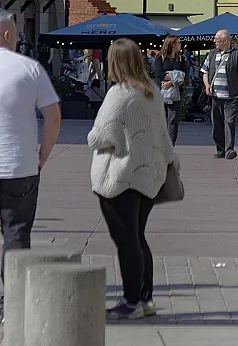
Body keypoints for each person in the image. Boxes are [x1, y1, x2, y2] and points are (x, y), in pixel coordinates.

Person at [88, 38, 179, 320]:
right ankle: (145, 298)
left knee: (126, 241)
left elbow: (101, 136)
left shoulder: (120, 93)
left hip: (121, 178)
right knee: (138, 238)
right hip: (148, 177)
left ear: (115, 62)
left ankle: (131, 300)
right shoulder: (150, 89)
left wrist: (93, 136)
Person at [0, 13, 61, 278]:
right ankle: (13, 301)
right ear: (7, 35)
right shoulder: (30, 68)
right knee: (16, 235)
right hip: (19, 167)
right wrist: (43, 155)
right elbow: (53, 117)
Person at [201, 29, 238, 159]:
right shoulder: (211, 54)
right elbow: (205, 72)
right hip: (215, 97)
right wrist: (207, 85)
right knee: (216, 124)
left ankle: (229, 150)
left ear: (226, 41)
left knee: (229, 122)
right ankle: (220, 149)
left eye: (217, 40)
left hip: (231, 97)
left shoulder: (236, 56)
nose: (215, 42)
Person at [152, 35, 187, 145]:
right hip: (161, 92)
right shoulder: (160, 57)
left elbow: (183, 76)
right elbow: (159, 73)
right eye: (178, 43)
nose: (180, 45)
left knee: (173, 120)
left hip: (176, 92)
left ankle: (170, 144)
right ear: (172, 44)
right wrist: (175, 76)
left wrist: (170, 82)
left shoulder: (181, 58)